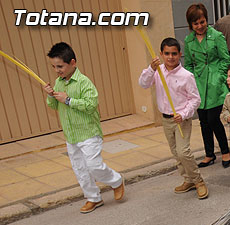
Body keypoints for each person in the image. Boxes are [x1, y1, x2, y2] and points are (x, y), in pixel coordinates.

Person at [44, 42, 124, 214]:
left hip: (88, 133)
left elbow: (91, 105)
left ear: (72, 63)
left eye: (60, 66)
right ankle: (93, 198)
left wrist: (68, 100)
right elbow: (53, 106)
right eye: (54, 67)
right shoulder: (58, 83)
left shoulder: (83, 82)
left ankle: (116, 181)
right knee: (80, 169)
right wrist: (51, 95)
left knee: (94, 165)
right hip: (71, 135)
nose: (57, 70)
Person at [139, 38, 208, 200]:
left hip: (181, 120)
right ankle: (188, 180)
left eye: (174, 54)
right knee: (176, 153)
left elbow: (195, 99)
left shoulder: (186, 76)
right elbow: (143, 84)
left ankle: (198, 181)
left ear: (180, 54)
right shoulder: (157, 71)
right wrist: (150, 68)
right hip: (166, 119)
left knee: (184, 152)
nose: (171, 57)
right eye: (167, 53)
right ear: (161, 54)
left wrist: (183, 114)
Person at [184, 4, 230, 169]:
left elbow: (225, 59)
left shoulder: (216, 36)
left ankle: (225, 151)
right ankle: (209, 154)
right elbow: (189, 63)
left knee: (213, 119)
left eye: (202, 22)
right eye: (195, 23)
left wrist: (219, 77)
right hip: (198, 84)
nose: (199, 26)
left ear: (206, 20)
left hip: (214, 83)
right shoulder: (189, 40)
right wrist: (191, 81)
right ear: (191, 25)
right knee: (203, 121)